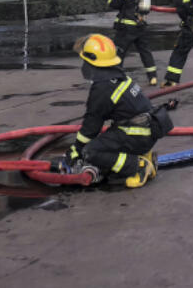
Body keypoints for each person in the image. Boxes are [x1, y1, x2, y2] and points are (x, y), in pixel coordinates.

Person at [57, 33, 171, 187]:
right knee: (106, 143)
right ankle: (144, 157)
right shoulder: (119, 75)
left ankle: (138, 167)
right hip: (147, 132)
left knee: (92, 152)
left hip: (137, 135)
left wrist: (76, 149)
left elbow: (92, 126)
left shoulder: (103, 88)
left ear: (92, 62)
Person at [108, 0, 159, 86]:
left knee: (118, 52)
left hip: (126, 28)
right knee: (145, 51)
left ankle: (115, 78)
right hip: (140, 26)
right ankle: (153, 77)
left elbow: (114, 4)